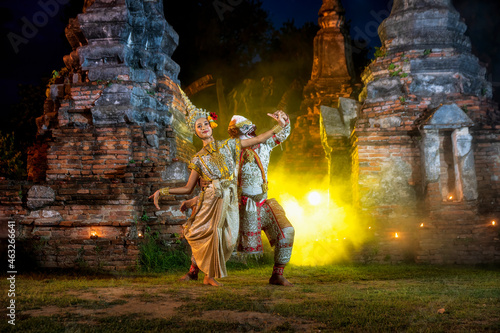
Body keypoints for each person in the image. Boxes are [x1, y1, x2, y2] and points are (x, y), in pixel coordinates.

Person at [149, 86, 287, 287]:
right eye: (198, 126)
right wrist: (162, 191)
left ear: (211, 125)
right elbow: (188, 187)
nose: (203, 127)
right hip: (212, 197)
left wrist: (278, 127)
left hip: (231, 197)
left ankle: (206, 273)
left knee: (229, 239)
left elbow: (258, 139)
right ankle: (207, 276)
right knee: (212, 233)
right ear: (195, 132)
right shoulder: (197, 158)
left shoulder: (228, 145)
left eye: (205, 123)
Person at [227, 113, 295, 286]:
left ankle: (277, 275)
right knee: (214, 234)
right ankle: (194, 270)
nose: (251, 132)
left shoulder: (264, 144)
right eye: (245, 129)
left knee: (286, 232)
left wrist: (284, 121)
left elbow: (281, 134)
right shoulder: (229, 150)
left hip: (262, 204)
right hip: (237, 205)